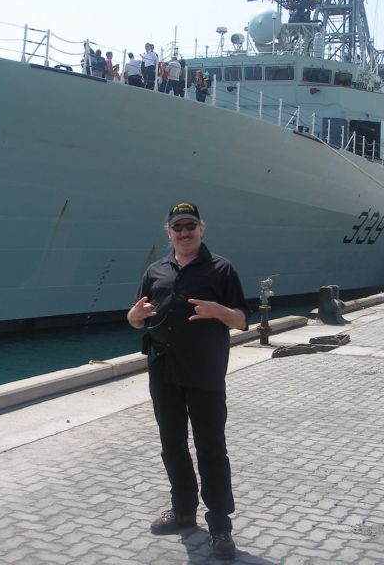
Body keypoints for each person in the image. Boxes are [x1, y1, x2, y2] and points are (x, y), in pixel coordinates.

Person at [127, 201, 250, 561]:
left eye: (190, 226)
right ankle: (183, 512)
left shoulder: (221, 269)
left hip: (205, 372)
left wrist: (218, 312)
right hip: (163, 370)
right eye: (177, 227)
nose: (184, 233)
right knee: (172, 444)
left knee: (211, 447)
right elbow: (137, 318)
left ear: (202, 230)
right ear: (169, 232)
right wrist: (134, 316)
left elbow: (242, 320)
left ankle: (220, 526)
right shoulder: (155, 270)